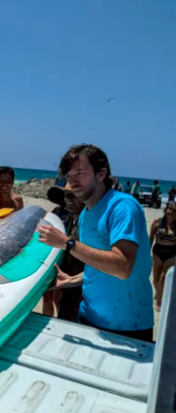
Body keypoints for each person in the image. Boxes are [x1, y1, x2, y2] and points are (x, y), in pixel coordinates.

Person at [38, 144, 154, 342]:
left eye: (80, 173)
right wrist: (72, 280)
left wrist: (68, 243)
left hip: (127, 325)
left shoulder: (122, 207)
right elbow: (99, 264)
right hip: (88, 316)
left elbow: (122, 267)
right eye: (69, 175)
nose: (73, 181)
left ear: (101, 174)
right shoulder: (85, 216)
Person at [43, 183, 85, 320]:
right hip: (56, 263)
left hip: (74, 271)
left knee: (61, 301)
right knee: (49, 297)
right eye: (67, 195)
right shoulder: (57, 213)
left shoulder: (84, 219)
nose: (69, 200)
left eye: (73, 196)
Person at [150, 201, 176, 311]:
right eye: (169, 209)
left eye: (174, 210)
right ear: (166, 210)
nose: (171, 212)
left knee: (163, 277)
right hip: (157, 252)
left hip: (171, 253)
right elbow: (150, 239)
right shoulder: (157, 222)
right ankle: (159, 292)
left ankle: (158, 301)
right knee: (156, 278)